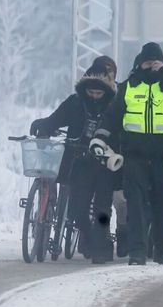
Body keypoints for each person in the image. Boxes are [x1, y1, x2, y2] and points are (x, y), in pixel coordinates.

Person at [91, 42, 163, 265]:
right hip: (134, 156)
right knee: (136, 205)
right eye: (147, 62)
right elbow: (112, 116)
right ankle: (137, 253)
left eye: (155, 62)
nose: (151, 66)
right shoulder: (130, 87)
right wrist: (100, 137)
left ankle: (161, 248)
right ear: (140, 62)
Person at [30, 63, 117, 263]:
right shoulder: (75, 103)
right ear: (84, 89)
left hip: (106, 164)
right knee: (78, 208)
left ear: (106, 91)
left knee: (102, 209)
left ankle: (101, 245)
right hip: (80, 162)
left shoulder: (114, 105)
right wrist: (42, 125)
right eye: (91, 92)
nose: (95, 96)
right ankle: (89, 237)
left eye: (98, 92)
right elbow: (56, 119)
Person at [91, 55, 128, 255]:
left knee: (122, 203)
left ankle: (122, 232)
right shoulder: (93, 96)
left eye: (110, 73)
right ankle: (102, 239)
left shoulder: (123, 94)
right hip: (103, 159)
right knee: (103, 205)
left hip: (121, 156)